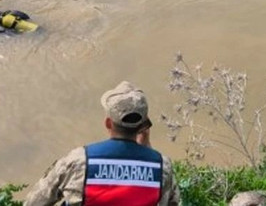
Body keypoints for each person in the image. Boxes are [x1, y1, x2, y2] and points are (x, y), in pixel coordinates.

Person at [25, 81, 179, 206]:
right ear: (144, 127)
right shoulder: (162, 167)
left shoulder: (79, 161)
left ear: (108, 123)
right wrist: (146, 149)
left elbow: (33, 203)